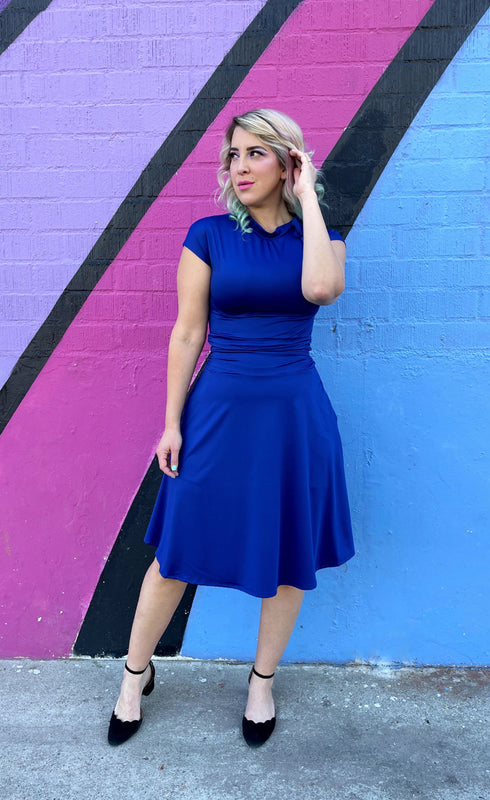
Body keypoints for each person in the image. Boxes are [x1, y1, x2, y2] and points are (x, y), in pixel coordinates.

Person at [107, 109, 355, 748]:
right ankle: (135, 675)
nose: (239, 167)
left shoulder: (318, 234)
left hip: (295, 416)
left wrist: (307, 199)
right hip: (216, 410)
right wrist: (170, 422)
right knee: (175, 551)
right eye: (233, 155)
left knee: (288, 556)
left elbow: (325, 289)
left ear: (289, 162)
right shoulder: (209, 234)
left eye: (256, 155)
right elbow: (188, 332)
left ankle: (261, 681)